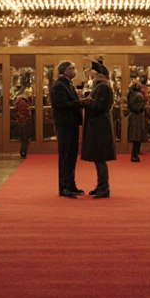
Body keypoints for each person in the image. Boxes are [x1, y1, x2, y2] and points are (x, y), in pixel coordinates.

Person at [51, 60, 90, 197]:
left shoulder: (68, 84)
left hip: (71, 124)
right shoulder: (59, 85)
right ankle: (64, 186)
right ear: (65, 70)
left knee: (72, 155)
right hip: (65, 125)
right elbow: (62, 104)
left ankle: (71, 184)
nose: (75, 71)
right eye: (72, 69)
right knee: (66, 156)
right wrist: (80, 102)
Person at [82, 61, 116, 198]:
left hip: (99, 126)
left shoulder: (102, 87)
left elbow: (99, 106)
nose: (88, 73)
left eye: (90, 70)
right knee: (98, 157)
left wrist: (87, 101)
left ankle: (104, 187)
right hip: (99, 124)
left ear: (96, 72)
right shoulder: (101, 86)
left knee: (100, 157)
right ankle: (101, 185)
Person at [125, 80, 149, 162]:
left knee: (135, 137)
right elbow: (139, 108)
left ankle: (135, 154)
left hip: (133, 117)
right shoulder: (139, 96)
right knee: (137, 137)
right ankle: (134, 155)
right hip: (137, 118)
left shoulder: (130, 95)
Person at [14, 88, 34, 159]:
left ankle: (23, 151)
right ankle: (23, 152)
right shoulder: (23, 102)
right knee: (24, 137)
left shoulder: (21, 101)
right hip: (24, 121)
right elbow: (23, 112)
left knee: (24, 137)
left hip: (22, 121)